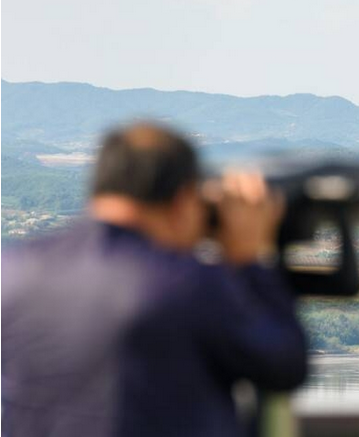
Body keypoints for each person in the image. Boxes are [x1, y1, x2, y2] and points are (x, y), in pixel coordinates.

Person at [2, 122, 308, 437]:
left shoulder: (14, 271)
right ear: (183, 200)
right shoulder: (187, 284)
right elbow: (283, 365)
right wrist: (249, 261)